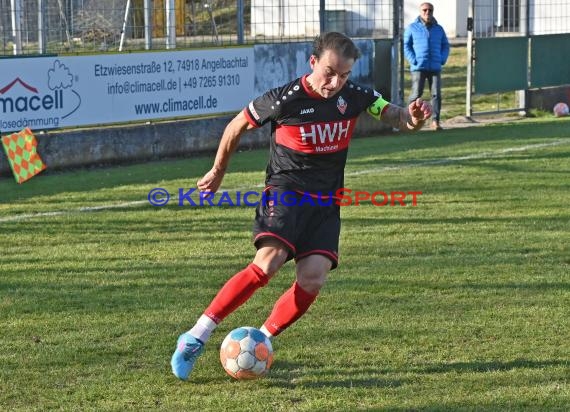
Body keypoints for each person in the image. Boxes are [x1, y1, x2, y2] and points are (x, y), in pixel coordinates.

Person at [171, 31, 432, 381]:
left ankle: (260, 339)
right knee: (268, 264)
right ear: (313, 62)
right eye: (329, 72)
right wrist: (218, 171)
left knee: (312, 279)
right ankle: (195, 337)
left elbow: (396, 117)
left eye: (344, 75)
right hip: (286, 192)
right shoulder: (285, 100)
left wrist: (414, 117)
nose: (335, 82)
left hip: (326, 203)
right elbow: (236, 125)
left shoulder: (357, 96)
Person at [404, 2, 450, 131]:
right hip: (419, 67)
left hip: (435, 67)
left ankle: (435, 121)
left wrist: (442, 59)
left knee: (436, 95)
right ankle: (408, 120)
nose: (427, 12)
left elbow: (445, 45)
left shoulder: (439, 29)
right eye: (424, 10)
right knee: (416, 94)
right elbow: (406, 45)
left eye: (430, 10)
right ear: (420, 11)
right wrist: (413, 60)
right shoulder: (412, 28)